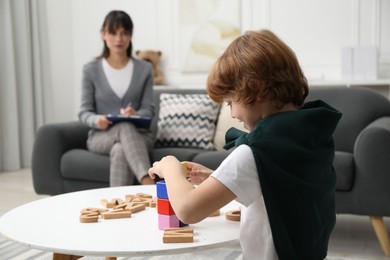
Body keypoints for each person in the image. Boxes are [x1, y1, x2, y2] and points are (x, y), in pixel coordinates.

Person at [148, 29, 341, 259]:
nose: (232, 113)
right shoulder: (308, 134)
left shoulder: (257, 149)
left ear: (256, 89)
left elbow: (189, 210)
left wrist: (169, 166)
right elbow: (278, 191)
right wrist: (216, 178)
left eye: (230, 102)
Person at [79, 10, 155, 186]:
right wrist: (98, 120)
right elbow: (84, 112)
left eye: (124, 33)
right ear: (103, 34)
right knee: (123, 127)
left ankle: (118, 209)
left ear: (130, 35)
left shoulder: (144, 69)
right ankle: (148, 181)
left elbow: (149, 110)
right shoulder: (90, 70)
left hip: (139, 136)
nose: (119, 38)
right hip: (101, 136)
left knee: (120, 148)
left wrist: (135, 113)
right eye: (113, 33)